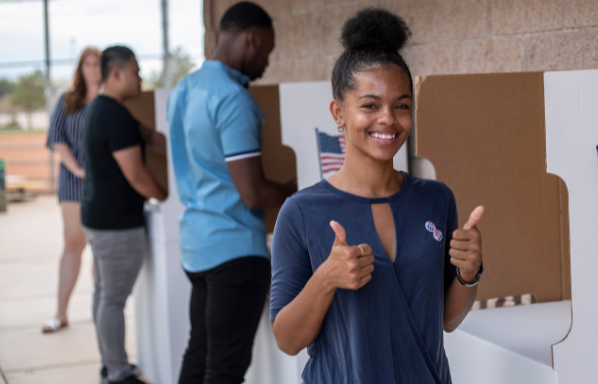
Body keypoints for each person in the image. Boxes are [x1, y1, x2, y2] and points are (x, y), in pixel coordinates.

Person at [269, 8, 485, 384]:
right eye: (370, 105)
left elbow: (447, 321)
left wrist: (469, 274)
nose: (388, 118)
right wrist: (326, 279)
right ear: (339, 112)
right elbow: (287, 340)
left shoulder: (437, 199)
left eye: (401, 105)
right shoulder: (301, 212)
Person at [167, 3, 295, 383]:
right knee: (225, 369)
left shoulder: (184, 89)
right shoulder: (234, 100)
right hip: (235, 252)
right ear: (252, 38)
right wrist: (293, 192)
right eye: (267, 51)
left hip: (196, 247)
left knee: (200, 353)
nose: (266, 62)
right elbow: (253, 193)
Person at [81, 45, 167, 384]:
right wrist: (167, 196)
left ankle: (110, 363)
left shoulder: (103, 109)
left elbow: (148, 137)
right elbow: (137, 175)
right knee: (113, 298)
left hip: (100, 218)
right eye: (135, 71)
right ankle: (117, 372)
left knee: (104, 294)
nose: (141, 77)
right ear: (116, 74)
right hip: (115, 224)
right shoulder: (113, 115)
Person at [42, 47, 101, 334]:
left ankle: (100, 313)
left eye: (97, 63)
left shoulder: (108, 101)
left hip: (103, 182)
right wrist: (78, 169)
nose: (92, 68)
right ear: (81, 68)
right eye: (87, 63)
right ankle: (60, 313)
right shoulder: (67, 100)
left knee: (99, 248)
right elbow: (57, 139)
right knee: (73, 243)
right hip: (73, 180)